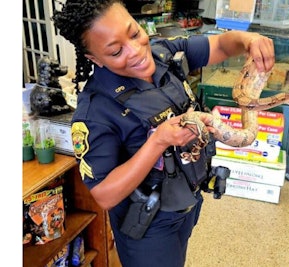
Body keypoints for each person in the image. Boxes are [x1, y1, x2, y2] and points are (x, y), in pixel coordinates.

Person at [52, 0, 275, 266]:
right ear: (94, 59)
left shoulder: (163, 54)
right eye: (115, 51)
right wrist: (158, 141)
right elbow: (103, 194)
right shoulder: (95, 112)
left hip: (187, 201)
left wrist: (249, 39)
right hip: (149, 226)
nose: (135, 51)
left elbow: (221, 45)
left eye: (134, 33)